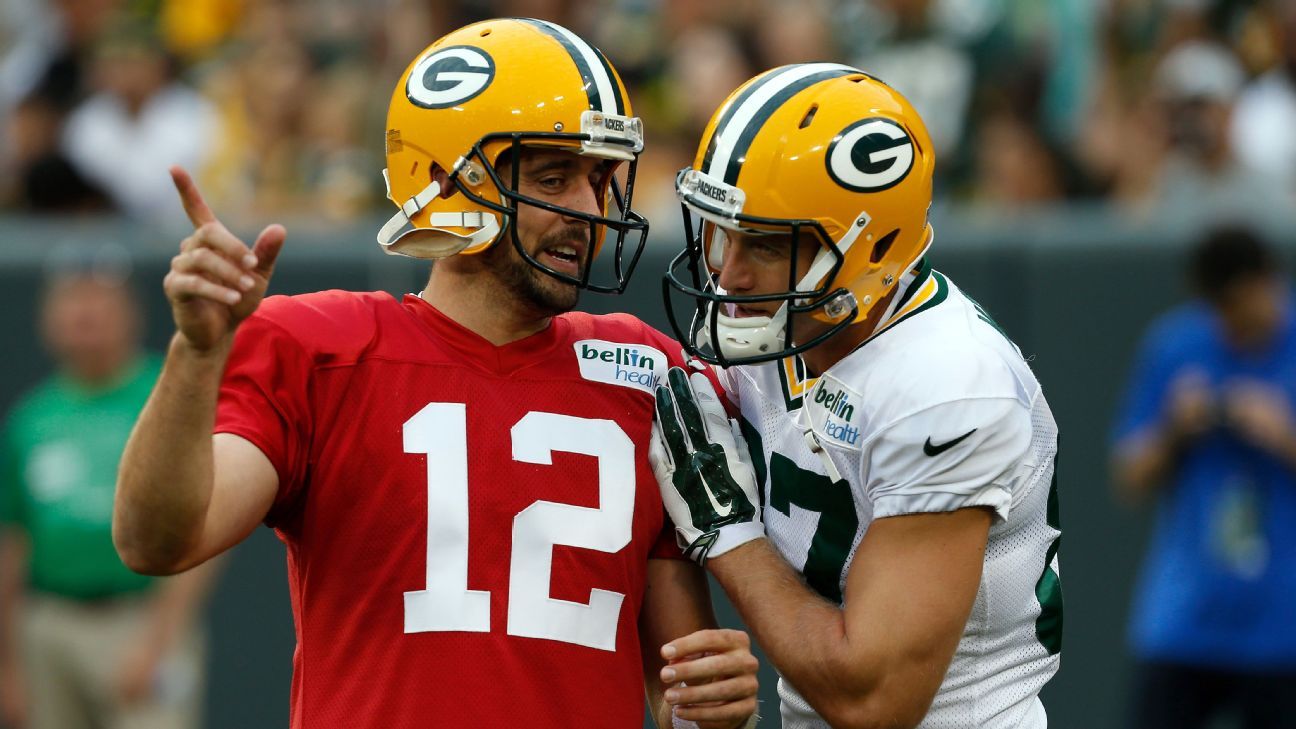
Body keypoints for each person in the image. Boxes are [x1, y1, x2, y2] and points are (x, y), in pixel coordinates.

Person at [111, 19, 758, 729]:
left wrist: (711, 707)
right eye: (554, 177)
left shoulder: (646, 371)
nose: (587, 211)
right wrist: (196, 355)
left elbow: (677, 688)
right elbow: (157, 540)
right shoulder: (322, 349)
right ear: (448, 179)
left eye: (600, 179)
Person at [650, 64, 1063, 728]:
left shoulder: (947, 384)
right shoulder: (782, 325)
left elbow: (874, 701)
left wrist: (728, 532)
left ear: (865, 251)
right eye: (720, 230)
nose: (728, 270)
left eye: (763, 242)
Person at [1, 254, 215, 729]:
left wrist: (159, 641)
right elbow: (11, 543)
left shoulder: (168, 392)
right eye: (72, 299)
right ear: (47, 318)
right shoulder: (32, 419)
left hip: (139, 618)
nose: (86, 312)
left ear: (131, 313)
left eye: (100, 298)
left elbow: (206, 521)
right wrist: (8, 665)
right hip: (49, 624)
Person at [1111, 225, 1296, 729]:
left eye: (1237, 307)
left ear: (1267, 283)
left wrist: (1282, 434)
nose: (1228, 326)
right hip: (1185, 620)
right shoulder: (1176, 343)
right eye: (1218, 311)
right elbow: (1129, 477)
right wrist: (1174, 430)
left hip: (1283, 627)